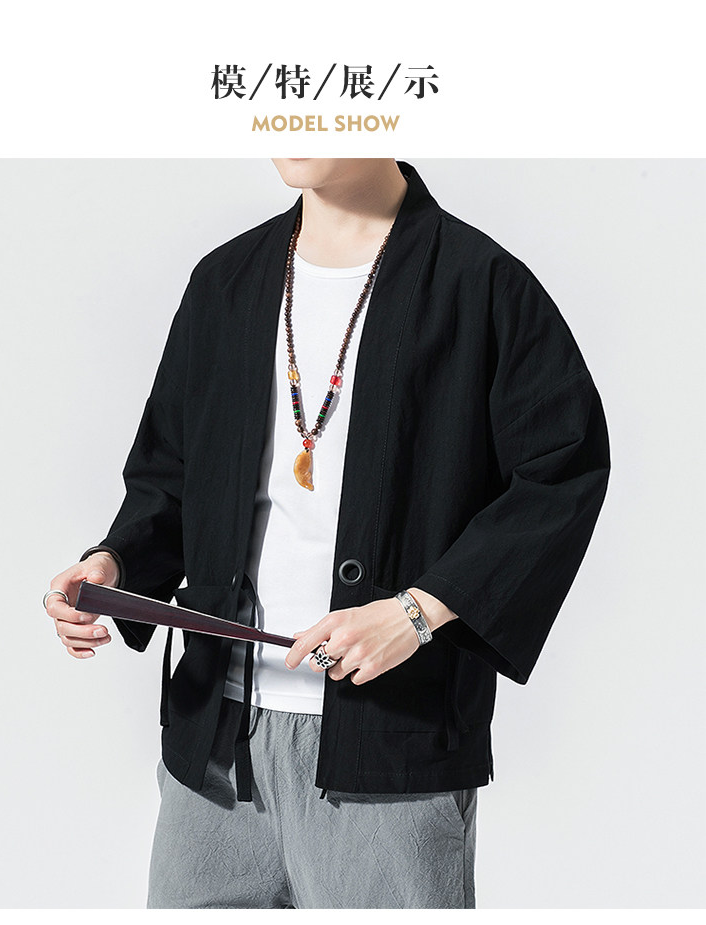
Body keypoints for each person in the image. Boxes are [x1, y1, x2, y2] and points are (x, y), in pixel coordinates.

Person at [44, 159, 610, 909]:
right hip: (214, 752)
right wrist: (114, 564)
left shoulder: (481, 283)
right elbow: (171, 473)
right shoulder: (226, 280)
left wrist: (418, 611)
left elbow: (561, 470)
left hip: (388, 752)